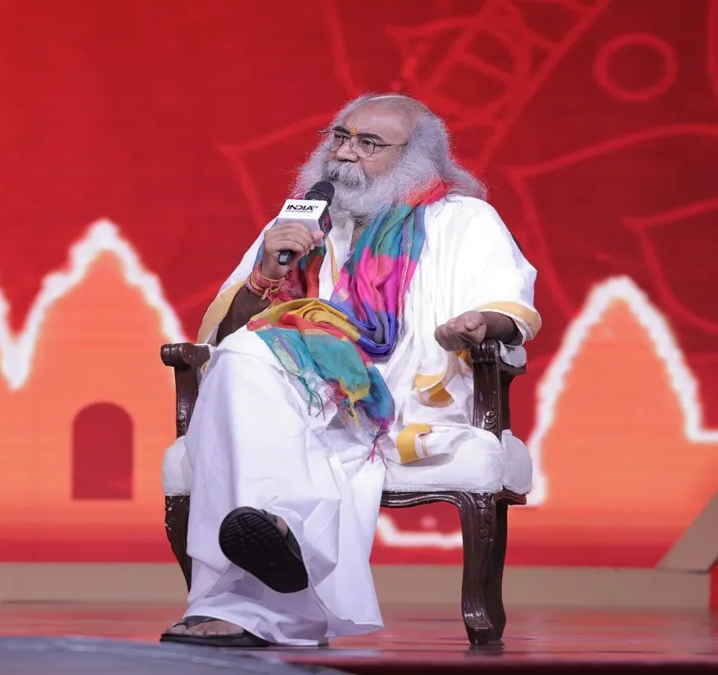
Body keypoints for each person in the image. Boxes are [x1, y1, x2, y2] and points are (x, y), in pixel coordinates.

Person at [159, 93, 540, 648]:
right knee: (240, 356)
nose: (344, 153)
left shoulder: (463, 220)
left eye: (368, 143)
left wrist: (481, 323)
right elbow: (226, 334)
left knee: (248, 375)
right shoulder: (302, 222)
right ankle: (283, 535)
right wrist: (267, 272)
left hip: (399, 397)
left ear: (416, 158)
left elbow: (512, 308)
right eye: (340, 137)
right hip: (298, 393)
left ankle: (254, 589)